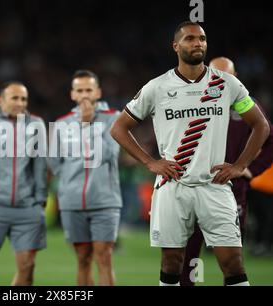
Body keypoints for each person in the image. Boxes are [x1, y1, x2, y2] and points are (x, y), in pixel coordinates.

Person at [110, 21, 270, 286]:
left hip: (214, 186)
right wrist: (150, 162)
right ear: (176, 46)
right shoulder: (157, 87)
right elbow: (119, 128)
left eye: (203, 38)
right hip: (173, 186)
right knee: (172, 262)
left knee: (233, 262)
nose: (198, 43)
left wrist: (241, 165)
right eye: (190, 39)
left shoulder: (227, 84)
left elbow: (261, 125)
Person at [180, 57, 273, 286]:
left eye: (226, 75)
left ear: (236, 78)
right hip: (192, 188)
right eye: (213, 74)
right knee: (187, 256)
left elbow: (269, 137)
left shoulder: (246, 105)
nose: (219, 80)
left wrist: (248, 168)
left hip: (231, 191)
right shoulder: (192, 101)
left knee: (232, 261)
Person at [48, 70, 122, 286]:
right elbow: (54, 163)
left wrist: (88, 125)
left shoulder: (114, 118)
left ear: (98, 92)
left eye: (88, 90)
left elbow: (110, 154)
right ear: (72, 94)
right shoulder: (61, 123)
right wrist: (72, 181)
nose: (84, 95)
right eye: (79, 90)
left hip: (104, 202)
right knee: (82, 260)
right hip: (72, 203)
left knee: (104, 258)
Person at [0, 82, 47, 286]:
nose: (20, 103)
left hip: (27, 207)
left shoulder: (36, 124)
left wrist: (40, 200)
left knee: (27, 266)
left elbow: (40, 165)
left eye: (23, 99)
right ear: (1, 100)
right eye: (14, 98)